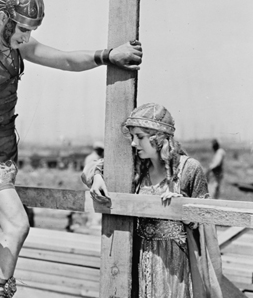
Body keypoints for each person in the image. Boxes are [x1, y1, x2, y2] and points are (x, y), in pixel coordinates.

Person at [0, 0, 142, 298]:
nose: (27, 39)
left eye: (32, 31)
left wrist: (108, 55)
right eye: (23, 30)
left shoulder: (13, 42)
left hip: (3, 151)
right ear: (3, 17)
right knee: (16, 224)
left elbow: (64, 60)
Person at [82, 103, 245, 297]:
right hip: (142, 256)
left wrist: (182, 208)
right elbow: (90, 168)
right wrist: (98, 177)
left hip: (176, 263)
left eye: (140, 137)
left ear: (158, 138)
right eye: (133, 137)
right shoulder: (136, 167)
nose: (134, 143)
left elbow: (206, 223)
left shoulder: (189, 169)